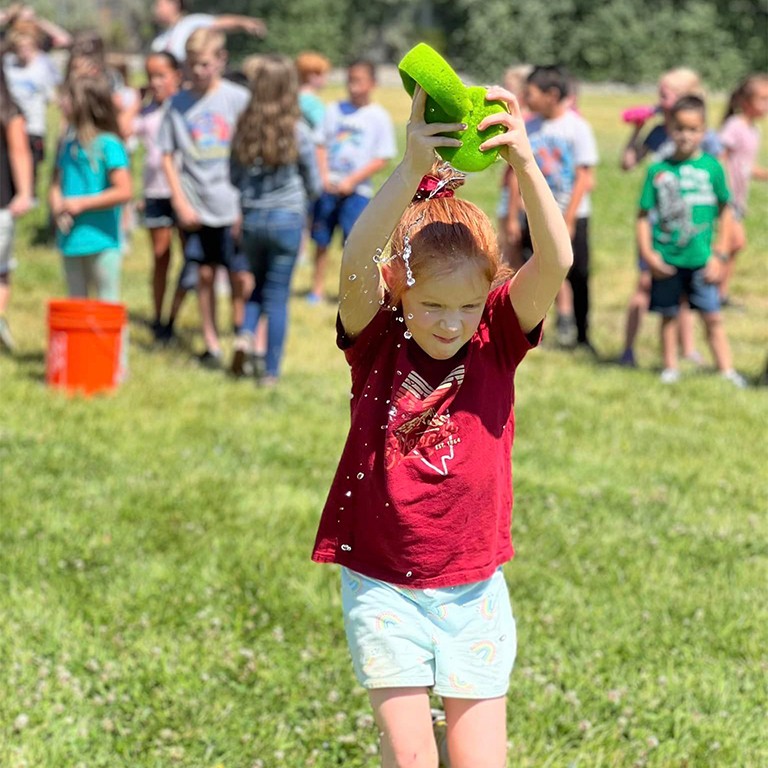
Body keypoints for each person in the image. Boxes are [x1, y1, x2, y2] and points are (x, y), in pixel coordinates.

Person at [311, 84, 572, 766]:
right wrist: (405, 170)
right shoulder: (376, 338)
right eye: (431, 304)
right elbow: (355, 259)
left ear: (487, 293)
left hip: (474, 588)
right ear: (399, 288)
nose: (450, 322)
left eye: (465, 304)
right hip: (383, 584)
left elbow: (558, 260)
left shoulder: (498, 336)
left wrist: (525, 163)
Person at [159, 28, 253, 368]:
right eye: (193, 65)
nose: (199, 71)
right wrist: (180, 201)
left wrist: (245, 202)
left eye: (205, 64)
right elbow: (167, 156)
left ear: (221, 61)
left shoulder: (237, 98)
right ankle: (211, 342)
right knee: (203, 275)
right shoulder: (176, 105)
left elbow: (250, 150)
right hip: (196, 205)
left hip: (232, 204)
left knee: (241, 275)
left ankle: (242, 331)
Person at [637, 96, 745, 387]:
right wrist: (648, 254)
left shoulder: (713, 168)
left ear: (704, 131)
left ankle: (726, 370)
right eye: (680, 128)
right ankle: (670, 367)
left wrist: (720, 254)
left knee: (713, 317)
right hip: (667, 260)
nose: (686, 135)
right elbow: (643, 214)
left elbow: (725, 211)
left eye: (693, 129)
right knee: (669, 316)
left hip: (703, 260)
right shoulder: (657, 169)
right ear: (670, 129)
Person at [619, 68, 722, 367]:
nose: (659, 98)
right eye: (659, 93)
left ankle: (686, 350)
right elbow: (627, 163)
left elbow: (716, 178)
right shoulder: (658, 131)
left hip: (690, 233)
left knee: (684, 295)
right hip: (657, 231)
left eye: (666, 93)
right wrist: (637, 129)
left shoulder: (705, 137)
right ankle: (628, 350)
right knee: (643, 286)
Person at [230, 55, 322, 385]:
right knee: (277, 296)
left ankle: (244, 334)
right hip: (286, 221)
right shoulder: (297, 131)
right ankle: (270, 372)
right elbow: (314, 184)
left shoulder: (244, 128)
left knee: (256, 285)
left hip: (252, 219)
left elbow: (233, 176)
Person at [308, 59, 397, 303]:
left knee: (356, 247)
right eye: (350, 80)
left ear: (372, 84)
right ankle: (315, 289)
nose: (353, 86)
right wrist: (324, 177)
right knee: (321, 241)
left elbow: (382, 157)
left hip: (358, 192)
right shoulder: (334, 110)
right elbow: (320, 144)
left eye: (359, 81)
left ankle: (351, 294)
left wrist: (352, 180)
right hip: (329, 188)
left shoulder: (378, 117)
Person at [524, 65, 598, 351]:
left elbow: (584, 176)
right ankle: (534, 332)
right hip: (537, 216)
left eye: (530, 93)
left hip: (573, 215)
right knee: (536, 273)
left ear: (551, 95)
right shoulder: (529, 127)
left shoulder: (577, 128)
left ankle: (582, 335)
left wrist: (568, 217)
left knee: (578, 274)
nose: (525, 99)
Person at [49, 74, 132, 300]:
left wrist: (81, 204)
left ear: (83, 103)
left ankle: (112, 338)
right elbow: (56, 184)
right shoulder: (67, 144)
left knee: (107, 302)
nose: (60, 102)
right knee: (76, 302)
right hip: (71, 239)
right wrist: (58, 209)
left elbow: (124, 191)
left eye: (66, 97)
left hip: (102, 239)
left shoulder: (109, 144)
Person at [132, 51, 196, 342]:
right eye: (150, 76)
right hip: (156, 192)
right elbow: (123, 131)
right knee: (160, 256)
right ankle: (158, 318)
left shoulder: (185, 107)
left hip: (187, 193)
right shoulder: (147, 112)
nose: (155, 82)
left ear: (177, 76)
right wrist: (137, 99)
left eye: (161, 76)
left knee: (191, 258)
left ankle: (173, 313)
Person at [718, 73, 768, 307]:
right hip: (726, 199)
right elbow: (720, 157)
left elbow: (747, 168)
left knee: (734, 245)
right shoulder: (735, 126)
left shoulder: (754, 130)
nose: (767, 105)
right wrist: (722, 193)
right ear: (746, 102)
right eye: (763, 99)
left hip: (738, 200)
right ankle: (714, 294)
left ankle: (720, 294)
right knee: (733, 242)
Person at [0, 50, 34, 352]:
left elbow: (18, 151)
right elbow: (19, 151)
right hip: (3, 204)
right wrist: (24, 192)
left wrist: (23, 193)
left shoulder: (9, 110)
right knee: (1, 269)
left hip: (3, 204)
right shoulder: (9, 108)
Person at [3, 21, 61, 189]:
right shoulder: (8, 64)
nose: (24, 51)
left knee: (30, 173)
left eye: (28, 46)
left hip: (34, 128)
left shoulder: (42, 67)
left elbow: (53, 97)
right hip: (11, 124)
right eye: (20, 47)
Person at [151, 0, 266, 64]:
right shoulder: (161, 36)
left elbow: (221, 23)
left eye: (159, 5)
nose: (156, 10)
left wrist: (244, 22)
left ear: (174, 4)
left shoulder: (190, 22)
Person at [497, 64, 531, 271]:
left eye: (508, 87)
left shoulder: (521, 120)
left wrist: (513, 210)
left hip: (515, 193)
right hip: (509, 189)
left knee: (510, 248)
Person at [296, 51, 331, 130]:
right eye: (323, 74)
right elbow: (324, 128)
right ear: (312, 75)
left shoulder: (293, 97)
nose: (327, 78)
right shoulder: (310, 102)